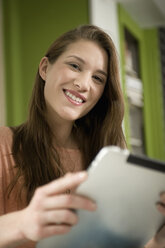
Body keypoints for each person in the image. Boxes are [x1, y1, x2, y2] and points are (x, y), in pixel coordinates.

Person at [0, 24, 164, 248]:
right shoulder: (3, 145)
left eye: (98, 79)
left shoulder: (106, 156)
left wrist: (157, 241)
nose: (84, 84)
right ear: (45, 68)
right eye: (75, 66)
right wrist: (24, 223)